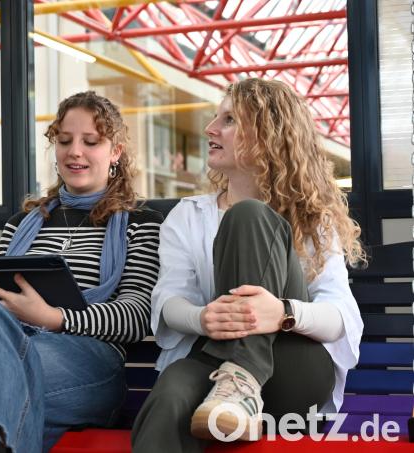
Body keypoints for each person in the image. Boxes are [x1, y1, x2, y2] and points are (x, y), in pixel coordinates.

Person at [130, 78, 365, 452]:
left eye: (229, 120)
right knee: (169, 397)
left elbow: (341, 317)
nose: (210, 128)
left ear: (270, 134)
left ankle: (242, 381)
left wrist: (283, 312)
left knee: (249, 216)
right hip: (211, 359)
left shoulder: (312, 218)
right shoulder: (187, 216)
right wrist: (203, 319)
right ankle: (234, 390)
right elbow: (169, 300)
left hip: (293, 369)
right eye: (215, 118)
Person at [0, 91, 163, 453]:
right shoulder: (23, 223)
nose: (75, 152)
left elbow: (136, 316)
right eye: (64, 140)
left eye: (91, 141)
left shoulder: (141, 223)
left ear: (115, 151)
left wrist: (54, 318)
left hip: (89, 362)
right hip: (12, 346)